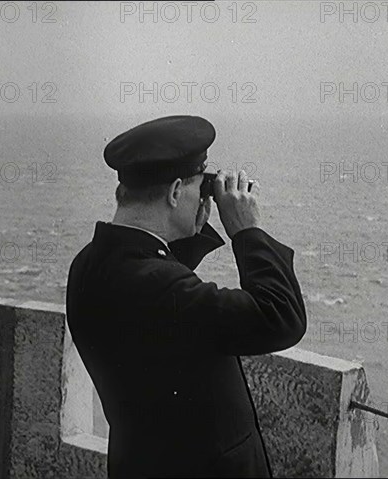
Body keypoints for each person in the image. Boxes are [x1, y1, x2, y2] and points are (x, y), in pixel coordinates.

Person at [66, 115, 307, 478]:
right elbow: (280, 317)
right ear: (176, 192)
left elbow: (159, 290)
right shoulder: (162, 289)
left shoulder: (88, 265)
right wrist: (248, 231)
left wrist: (185, 229)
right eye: (199, 187)